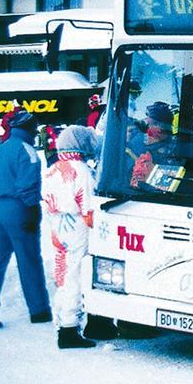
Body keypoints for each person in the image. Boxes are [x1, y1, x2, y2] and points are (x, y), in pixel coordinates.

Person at [42, 126, 116, 348]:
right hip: (79, 229)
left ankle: (65, 322)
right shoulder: (82, 171)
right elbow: (89, 206)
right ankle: (70, 329)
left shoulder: (52, 168)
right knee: (79, 275)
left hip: (59, 227)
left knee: (64, 274)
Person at [0, 109, 52, 332]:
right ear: (28, 128)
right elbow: (27, 186)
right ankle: (39, 311)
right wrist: (32, 211)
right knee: (29, 261)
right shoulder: (26, 150)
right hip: (18, 208)